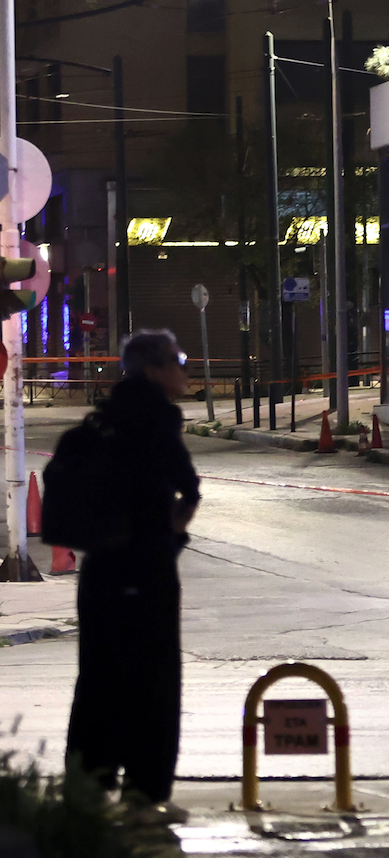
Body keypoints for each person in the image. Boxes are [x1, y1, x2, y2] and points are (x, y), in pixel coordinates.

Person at [66, 330, 200, 826]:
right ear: (153, 369)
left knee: (98, 680)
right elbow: (189, 488)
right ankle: (144, 795)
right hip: (146, 571)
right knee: (154, 683)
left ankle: (87, 786)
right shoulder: (158, 420)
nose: (184, 370)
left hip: (99, 571)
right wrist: (169, 538)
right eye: (178, 360)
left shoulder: (101, 420)